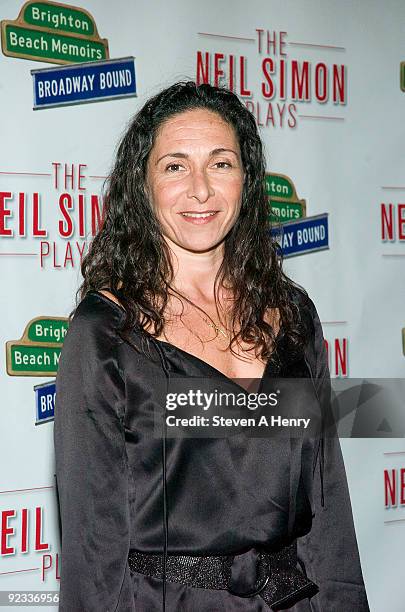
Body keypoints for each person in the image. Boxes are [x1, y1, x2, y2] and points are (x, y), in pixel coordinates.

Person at [54, 80, 369, 611]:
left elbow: (327, 501)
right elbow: (93, 545)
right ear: (143, 183)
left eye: (221, 163)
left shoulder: (291, 315)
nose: (200, 190)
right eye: (175, 165)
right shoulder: (105, 334)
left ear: (246, 180)